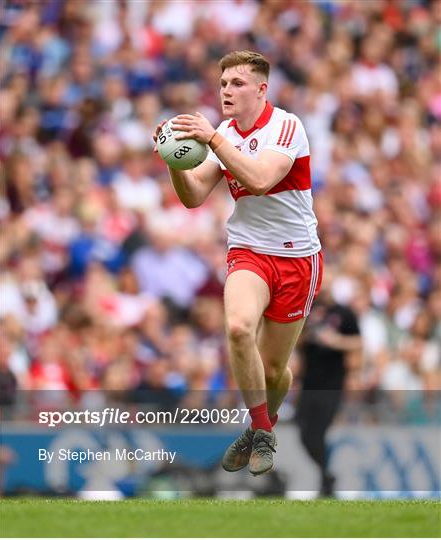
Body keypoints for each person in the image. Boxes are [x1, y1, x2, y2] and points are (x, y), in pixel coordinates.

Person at [153, 50, 323, 476]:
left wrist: (213, 140)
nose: (227, 91)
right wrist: (173, 160)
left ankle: (256, 427)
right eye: (224, 84)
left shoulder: (286, 126)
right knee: (238, 327)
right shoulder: (225, 132)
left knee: (274, 369)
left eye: (238, 84)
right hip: (248, 249)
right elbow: (193, 197)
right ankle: (264, 430)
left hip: (296, 256)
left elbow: (261, 180)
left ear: (262, 89)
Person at [295, 281, 362, 496]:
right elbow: (295, 340)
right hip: (309, 382)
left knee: (318, 432)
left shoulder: (344, 313)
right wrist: (308, 337)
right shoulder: (306, 310)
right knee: (304, 433)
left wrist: (335, 341)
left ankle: (326, 479)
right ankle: (326, 475)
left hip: (332, 383)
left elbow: (358, 342)